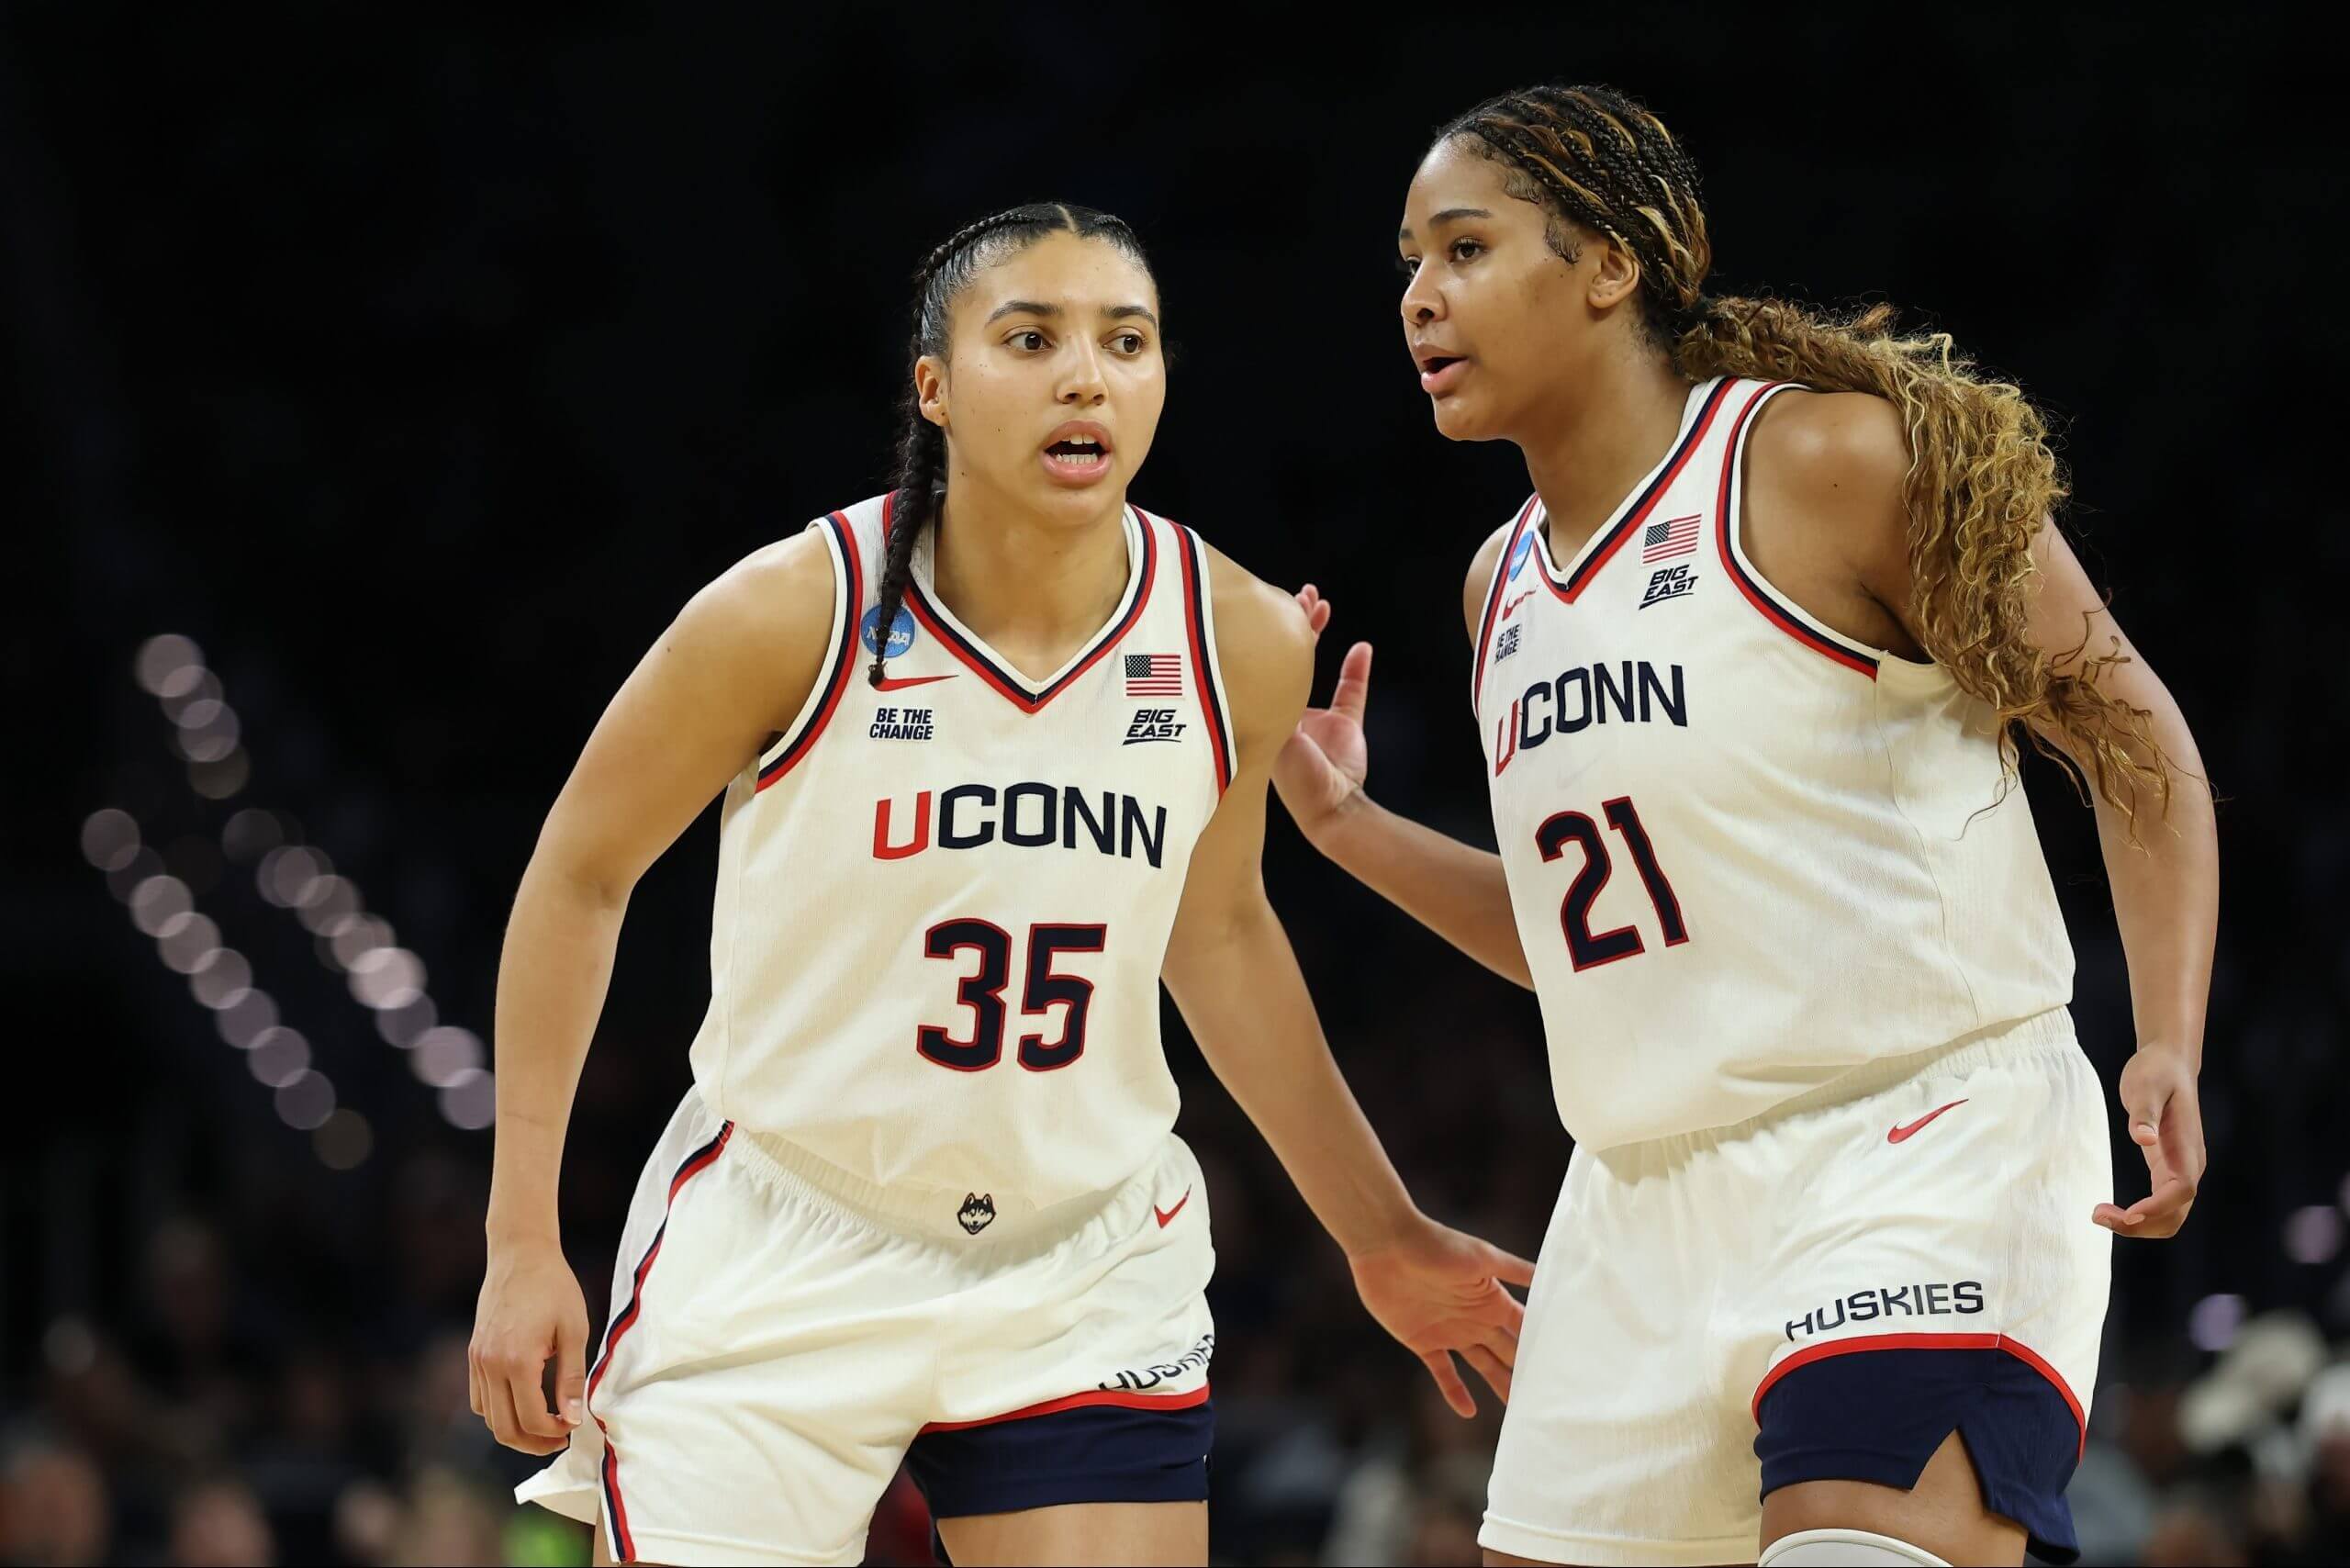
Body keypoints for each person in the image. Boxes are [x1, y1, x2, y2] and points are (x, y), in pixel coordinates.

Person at [471, 201, 1531, 1568]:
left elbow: (1216, 934)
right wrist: (519, 1240)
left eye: (1125, 341)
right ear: (935, 387)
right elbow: (577, 878)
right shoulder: (792, 610)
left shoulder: (1239, 636)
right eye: (1029, 338)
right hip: (791, 1231)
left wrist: (1377, 1232)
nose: (1084, 373)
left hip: (1080, 1256)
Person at [1274, 85, 2218, 1568]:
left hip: (1920, 1136)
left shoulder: (1829, 464)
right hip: (1642, 1204)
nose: (1418, 297)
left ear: (1607, 266)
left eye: (1464, 248)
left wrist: (2164, 1030)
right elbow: (1603, 947)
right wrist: (1351, 830)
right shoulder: (1496, 587)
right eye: (1407, 261)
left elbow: (2130, 735)